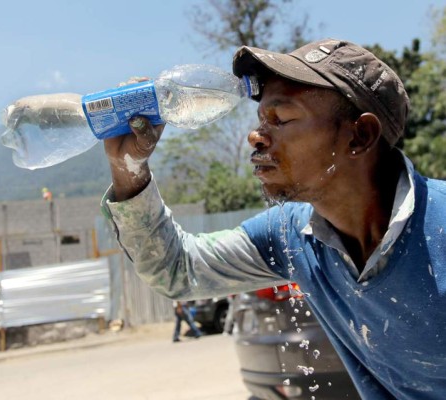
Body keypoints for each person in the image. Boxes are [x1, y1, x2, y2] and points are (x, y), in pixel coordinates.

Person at [100, 39, 446, 399]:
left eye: (279, 119)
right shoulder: (291, 236)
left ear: (359, 136)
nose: (256, 136)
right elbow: (178, 268)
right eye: (261, 119)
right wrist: (129, 168)